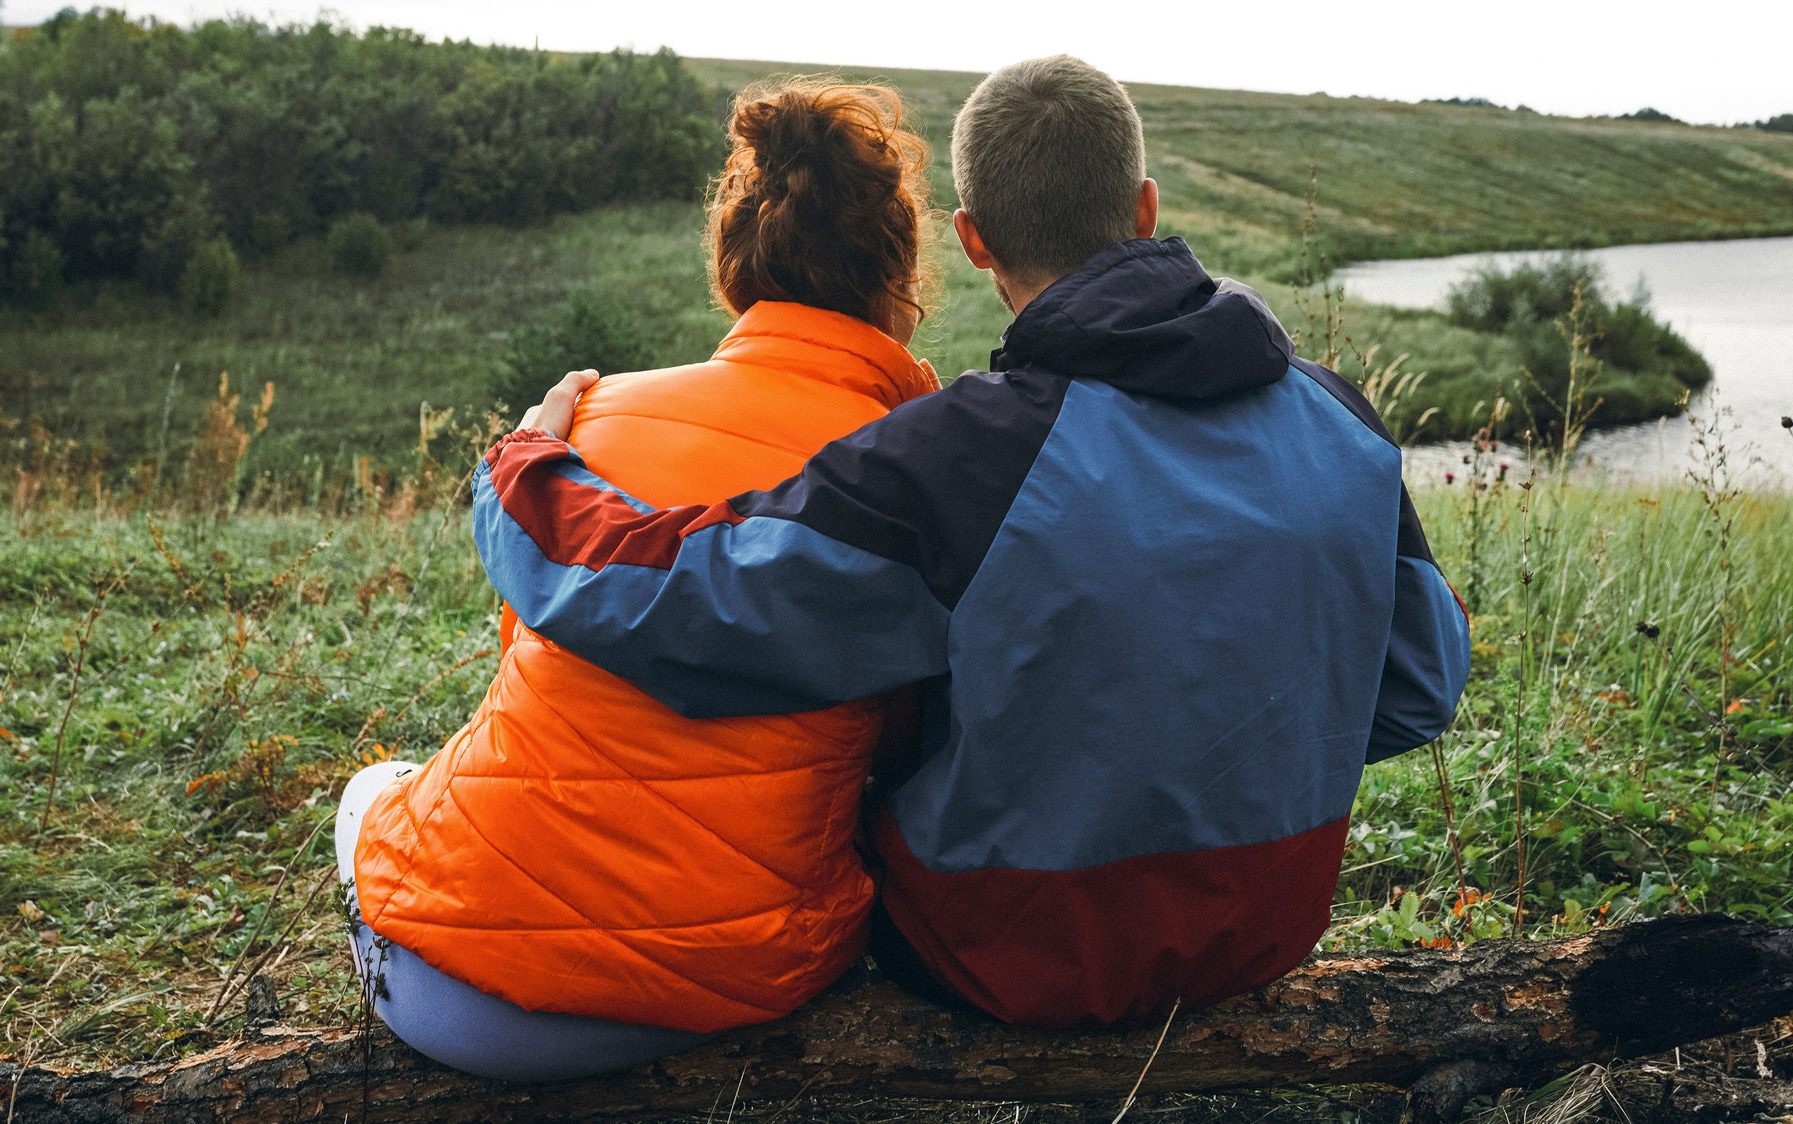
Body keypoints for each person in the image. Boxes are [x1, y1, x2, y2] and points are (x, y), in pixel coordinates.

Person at [483, 54, 1472, 1030]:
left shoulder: (966, 456)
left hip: (1004, 955)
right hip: (1266, 927)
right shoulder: (1338, 414)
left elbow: (691, 603)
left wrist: (522, 470)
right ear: (1144, 209)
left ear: (972, 238)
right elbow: (1421, 683)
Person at [337, 80, 943, 1079]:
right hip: (738, 986)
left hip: (452, 987)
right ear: (900, 280)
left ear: (734, 264)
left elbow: (526, 650)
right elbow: (903, 743)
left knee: (371, 788)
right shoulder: (922, 478)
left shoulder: (587, 418)